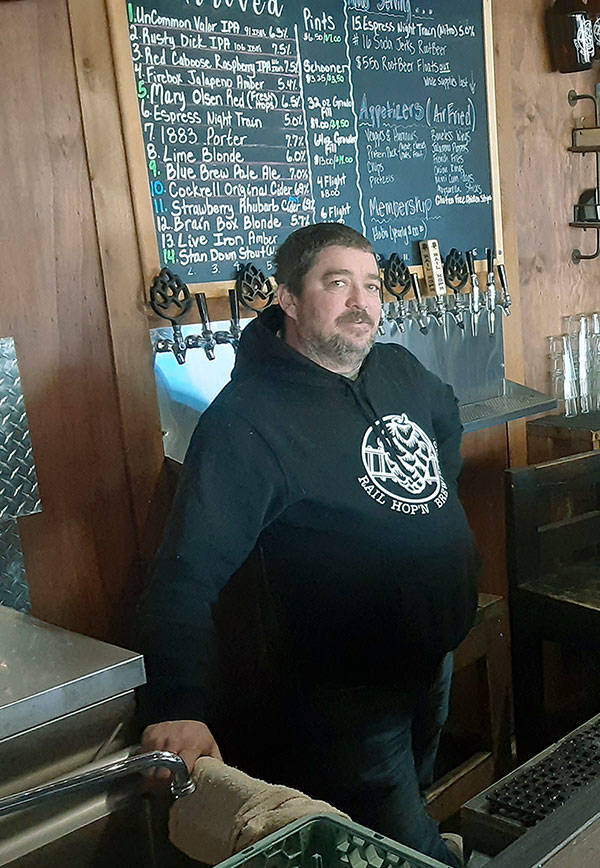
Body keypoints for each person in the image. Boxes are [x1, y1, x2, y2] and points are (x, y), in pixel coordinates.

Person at [136, 223, 477, 866]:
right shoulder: (246, 423)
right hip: (346, 697)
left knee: (413, 807)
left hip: (433, 658)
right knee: (400, 851)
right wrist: (179, 705)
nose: (362, 301)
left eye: (371, 285)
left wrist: (427, 520)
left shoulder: (397, 368)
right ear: (289, 300)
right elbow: (183, 579)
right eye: (337, 282)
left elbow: (446, 424)